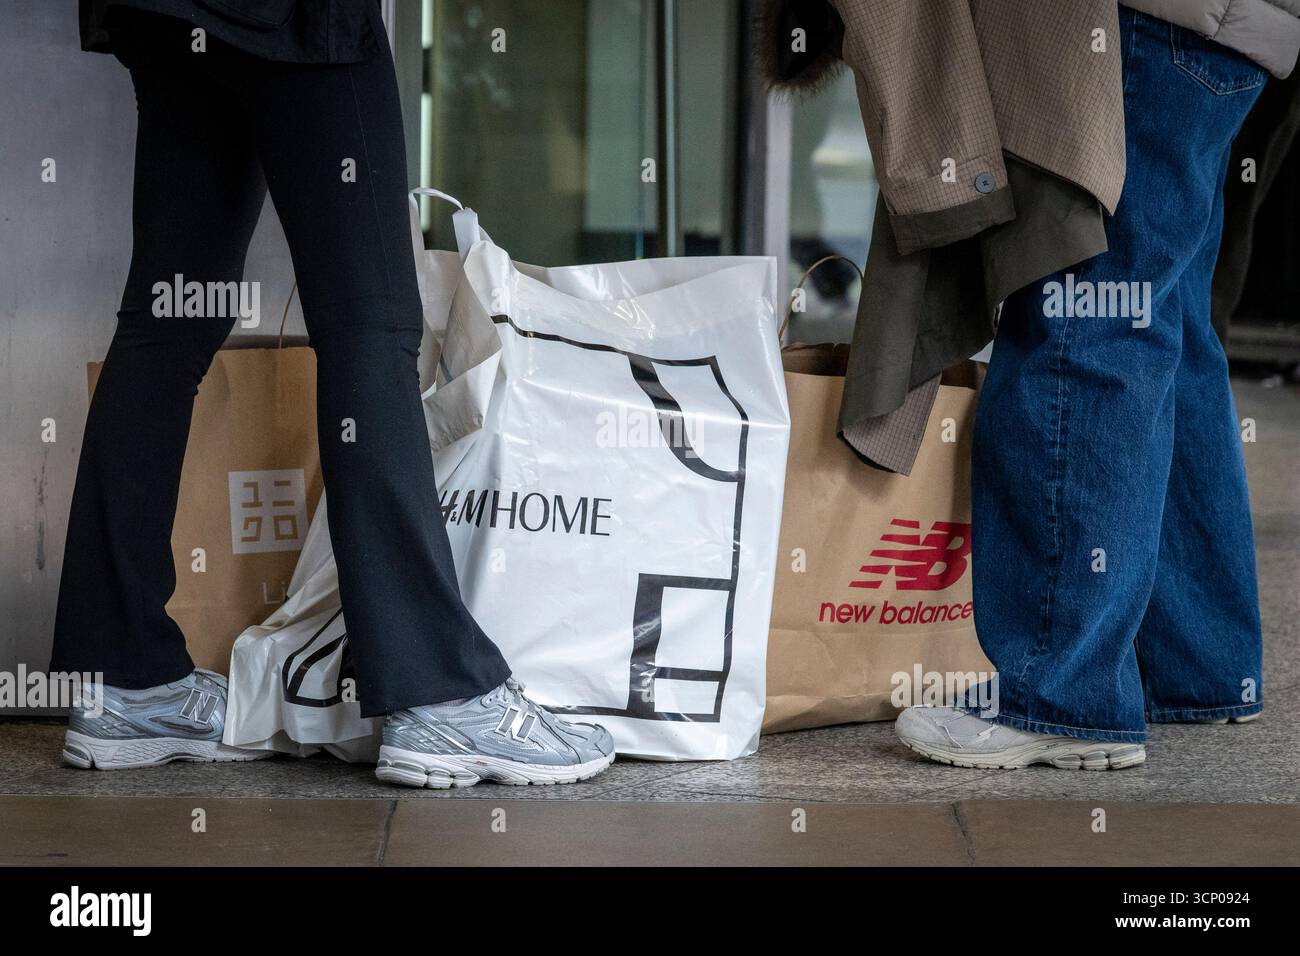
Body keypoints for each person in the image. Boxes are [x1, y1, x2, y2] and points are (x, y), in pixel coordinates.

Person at [53, 0, 614, 788]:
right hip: (294, 19)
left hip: (162, 11)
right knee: (371, 328)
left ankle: (123, 679)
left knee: (166, 322)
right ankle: (438, 694)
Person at [895, 3, 1296, 769]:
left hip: (1142, 28)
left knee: (1082, 323)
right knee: (1161, 323)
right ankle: (1199, 668)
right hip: (1226, 34)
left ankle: (1061, 696)